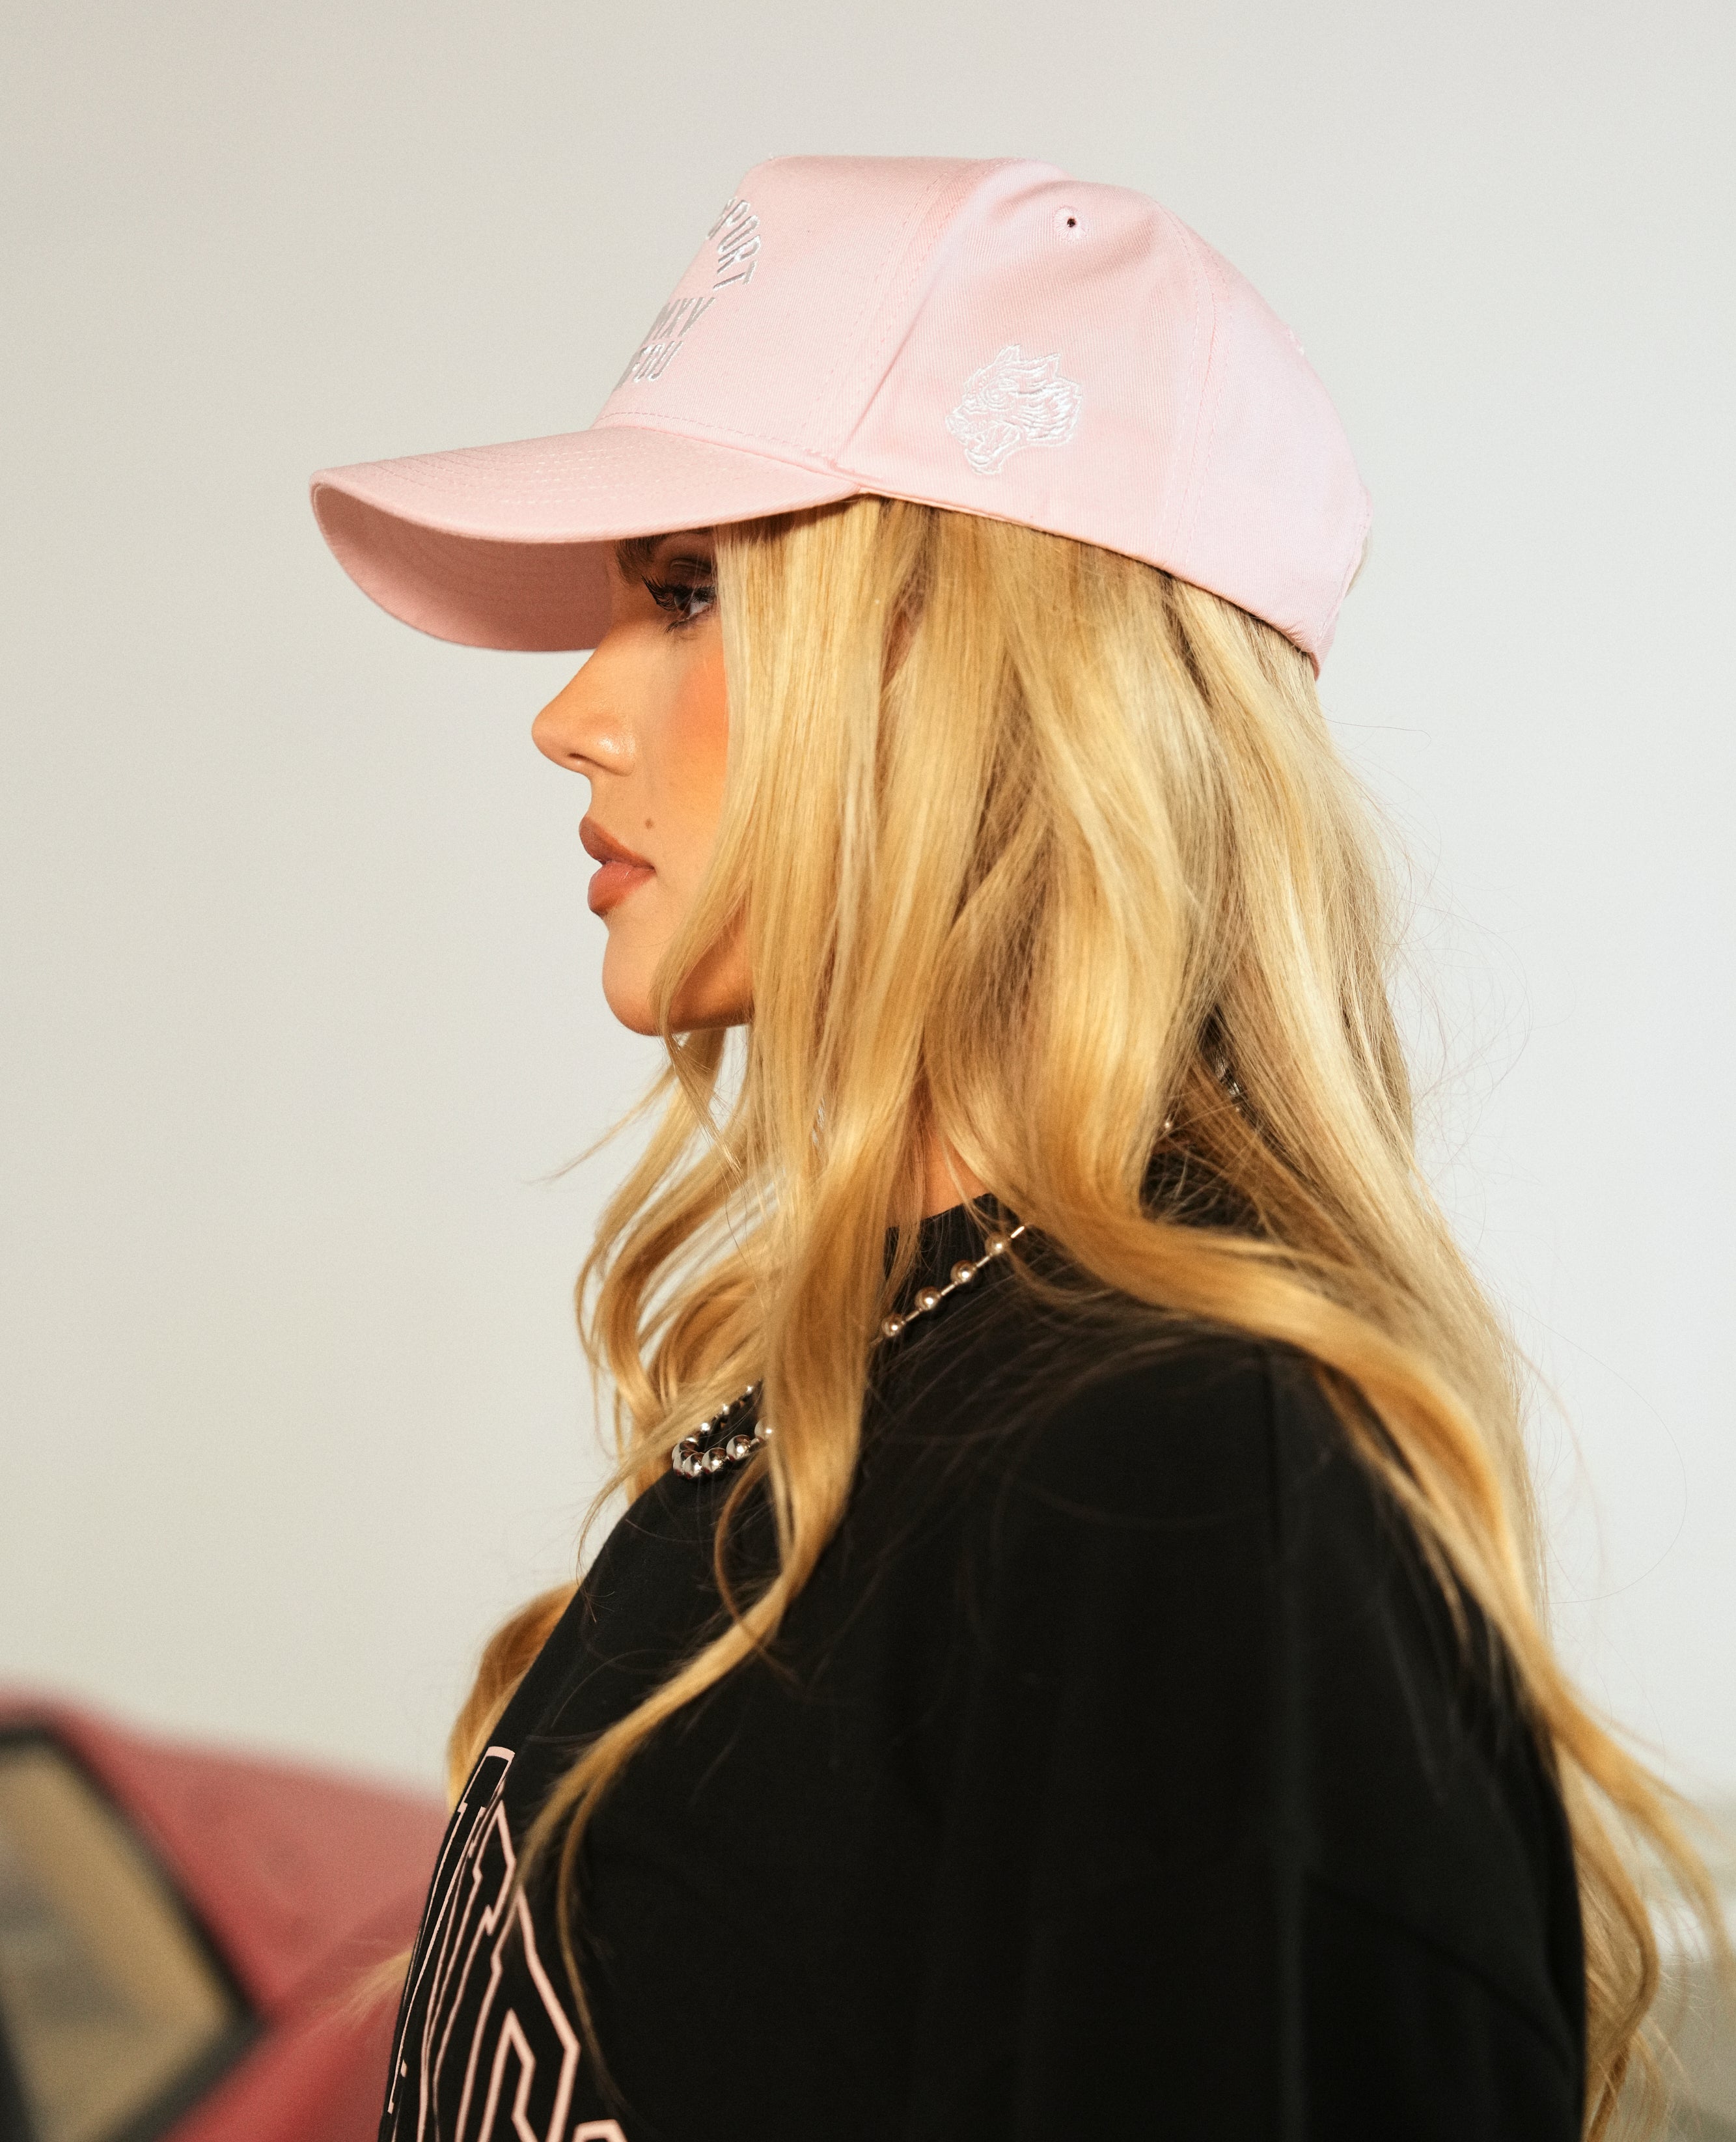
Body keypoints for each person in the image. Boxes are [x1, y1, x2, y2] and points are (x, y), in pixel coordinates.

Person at [312, 157, 1705, 2141]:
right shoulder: (847, 1411)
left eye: (689, 592)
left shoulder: (1182, 1489)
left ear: (985, 670)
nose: (572, 715)